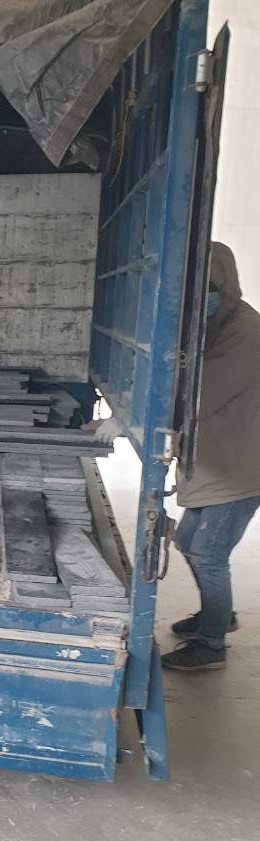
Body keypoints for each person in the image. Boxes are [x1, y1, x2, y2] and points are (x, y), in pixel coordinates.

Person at [161, 242, 260, 672]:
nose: (200, 299)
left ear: (225, 285)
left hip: (240, 468)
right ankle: (217, 614)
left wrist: (138, 418)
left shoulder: (245, 332)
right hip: (217, 461)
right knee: (189, 542)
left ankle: (212, 644)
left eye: (208, 289)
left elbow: (201, 396)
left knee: (208, 553)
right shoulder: (214, 326)